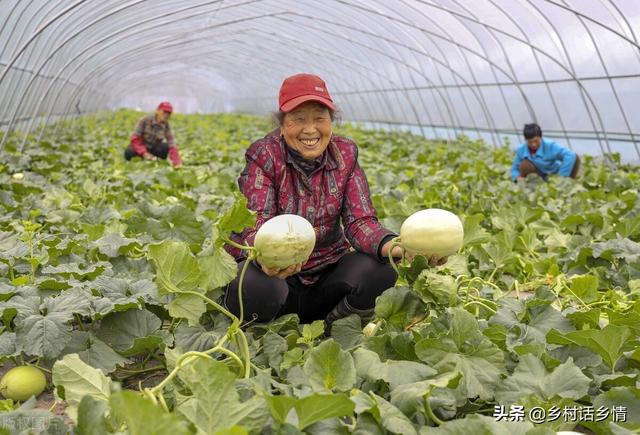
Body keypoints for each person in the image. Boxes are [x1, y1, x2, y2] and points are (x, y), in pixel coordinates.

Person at [224, 73, 446, 334]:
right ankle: (262, 334)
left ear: (331, 121)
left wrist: (401, 247)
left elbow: (360, 221)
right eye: (298, 119)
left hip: (326, 277)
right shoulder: (265, 155)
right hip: (277, 278)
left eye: (319, 118)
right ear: (282, 125)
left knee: (380, 270)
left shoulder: (346, 154)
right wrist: (266, 258)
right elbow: (255, 221)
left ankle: (334, 330)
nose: (310, 130)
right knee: (253, 284)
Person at [511, 123, 579, 182]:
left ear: (540, 137)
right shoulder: (521, 149)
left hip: (554, 174)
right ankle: (533, 187)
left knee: (576, 158)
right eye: (530, 142)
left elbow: (570, 155)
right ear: (526, 140)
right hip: (538, 177)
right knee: (524, 164)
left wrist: (561, 176)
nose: (533, 144)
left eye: (536, 141)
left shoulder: (550, 145)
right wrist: (517, 177)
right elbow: (515, 168)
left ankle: (565, 184)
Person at [124, 102, 182, 167]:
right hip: (140, 148)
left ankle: (156, 162)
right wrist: (144, 153)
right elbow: (135, 139)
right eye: (164, 112)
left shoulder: (166, 126)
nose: (166, 115)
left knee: (165, 147)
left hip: (153, 148)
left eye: (168, 113)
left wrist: (177, 162)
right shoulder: (144, 120)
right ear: (157, 111)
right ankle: (142, 161)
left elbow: (172, 145)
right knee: (129, 152)